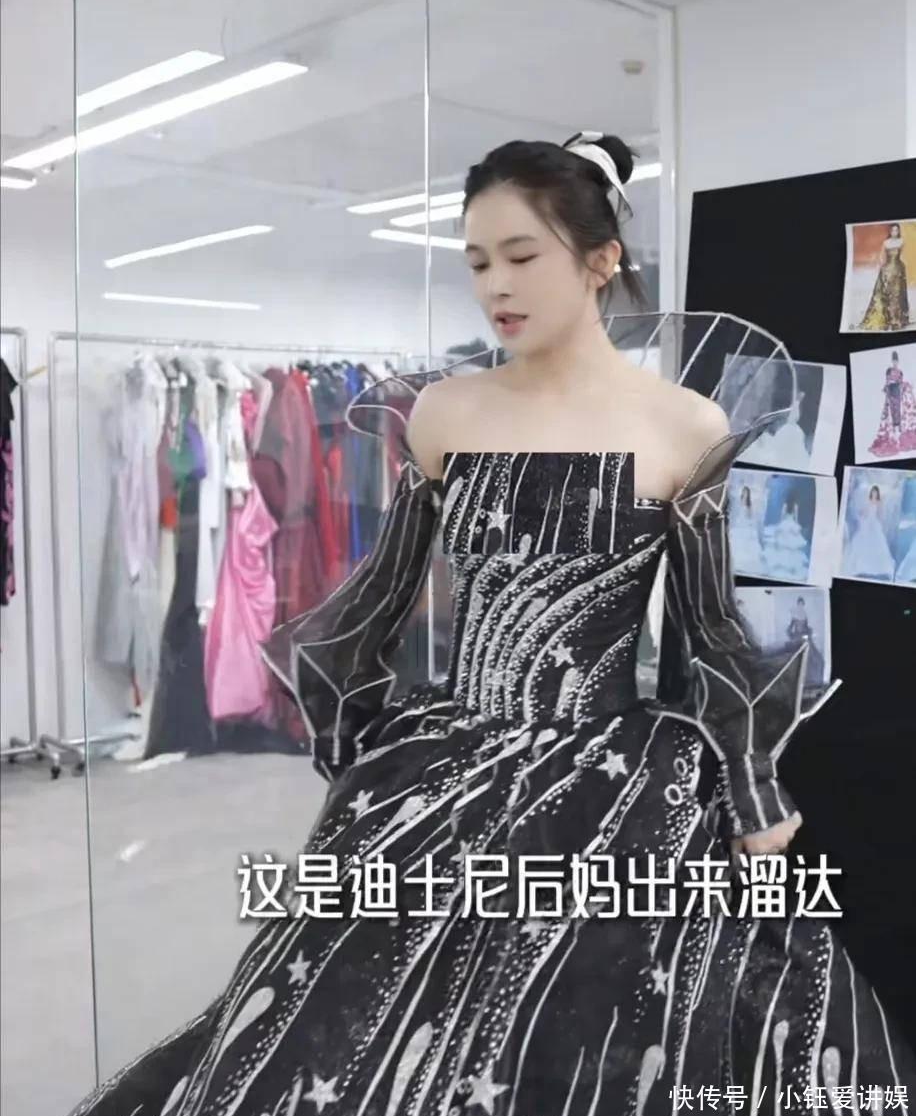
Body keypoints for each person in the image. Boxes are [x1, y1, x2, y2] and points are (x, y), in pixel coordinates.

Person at [70, 134, 916, 1115]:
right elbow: (381, 597)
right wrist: (355, 736)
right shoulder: (444, 413)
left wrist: (752, 789)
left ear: (600, 259)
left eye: (521, 255)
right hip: (445, 765)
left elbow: (711, 632)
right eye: (476, 262)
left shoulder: (682, 425)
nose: (495, 286)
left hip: (616, 778)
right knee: (352, 1033)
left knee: (599, 1030)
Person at [859, 222, 911, 332]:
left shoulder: (901, 241)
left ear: (898, 231)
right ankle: (887, 319)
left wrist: (902, 268)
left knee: (898, 294)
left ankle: (897, 320)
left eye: (896, 230)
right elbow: (881, 257)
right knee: (886, 293)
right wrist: (883, 269)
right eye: (893, 230)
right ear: (890, 231)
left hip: (898, 270)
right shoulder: (886, 242)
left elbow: (901, 255)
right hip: (887, 270)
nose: (894, 232)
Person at [845, 483, 897, 582]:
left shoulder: (879, 502)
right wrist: (862, 515)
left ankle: (878, 568)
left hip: (874, 523)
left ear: (877, 494)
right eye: (873, 492)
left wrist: (878, 518)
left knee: (877, 543)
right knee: (862, 541)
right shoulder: (868, 501)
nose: (874, 494)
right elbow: (865, 511)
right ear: (871, 493)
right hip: (866, 522)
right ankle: (861, 567)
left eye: (875, 493)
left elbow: (880, 514)